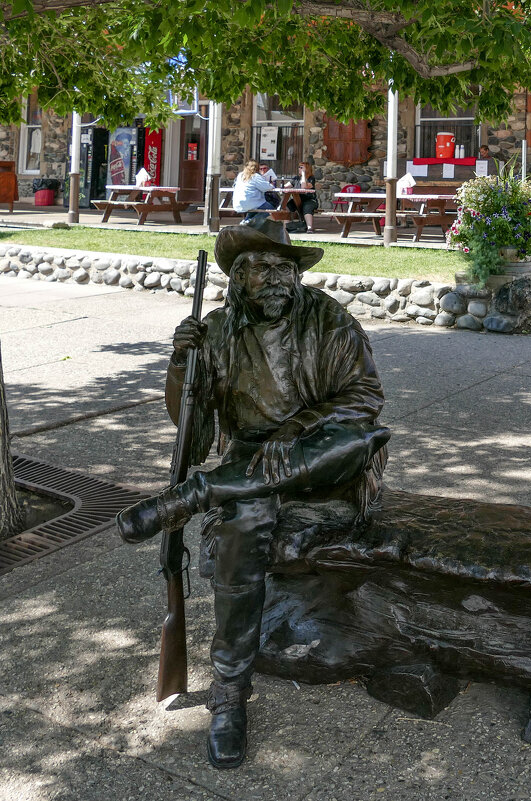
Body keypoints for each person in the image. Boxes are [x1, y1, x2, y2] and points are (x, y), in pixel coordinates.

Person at [116, 221, 389, 770]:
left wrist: (298, 429)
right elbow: (190, 434)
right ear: (238, 279)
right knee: (244, 524)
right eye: (261, 268)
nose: (275, 279)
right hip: (250, 464)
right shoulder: (217, 330)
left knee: (364, 438)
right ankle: (230, 695)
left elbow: (365, 397)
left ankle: (200, 495)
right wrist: (179, 367)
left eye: (284, 268)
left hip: (319, 455)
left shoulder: (330, 319)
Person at [284, 162, 318, 233]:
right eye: (299, 167)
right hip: (297, 199)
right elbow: (285, 186)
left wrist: (303, 174)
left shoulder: (311, 178)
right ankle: (287, 226)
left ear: (307, 169)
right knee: (287, 206)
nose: (299, 169)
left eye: (301, 167)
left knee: (307, 207)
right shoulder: (296, 178)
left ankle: (310, 228)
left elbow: (304, 187)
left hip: (309, 199)